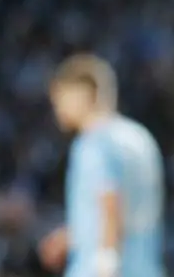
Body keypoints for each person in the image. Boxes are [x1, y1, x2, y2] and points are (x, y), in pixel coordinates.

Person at [38, 54, 164, 277]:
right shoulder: (139, 137)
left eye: (60, 99)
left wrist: (107, 263)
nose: (57, 109)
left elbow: (111, 203)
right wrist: (70, 237)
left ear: (80, 95)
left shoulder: (93, 143)